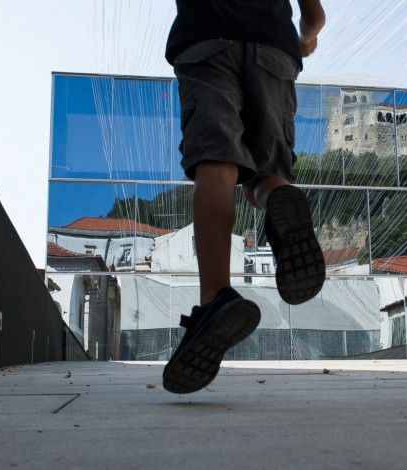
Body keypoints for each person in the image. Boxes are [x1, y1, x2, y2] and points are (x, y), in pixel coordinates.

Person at [162, 0, 326, 394]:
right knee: (265, 173)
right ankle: (278, 197)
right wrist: (306, 38)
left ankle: (216, 297)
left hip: (206, 36)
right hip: (273, 46)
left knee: (216, 163)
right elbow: (315, 14)